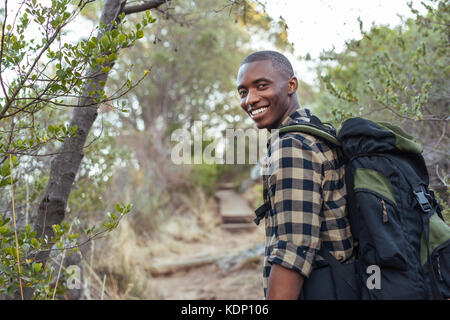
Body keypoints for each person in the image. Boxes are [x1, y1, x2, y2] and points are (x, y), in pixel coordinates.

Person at [236, 51, 354, 300]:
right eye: (243, 92)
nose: (250, 100)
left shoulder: (292, 145)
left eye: (261, 86)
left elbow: (294, 248)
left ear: (291, 85)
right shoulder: (317, 131)